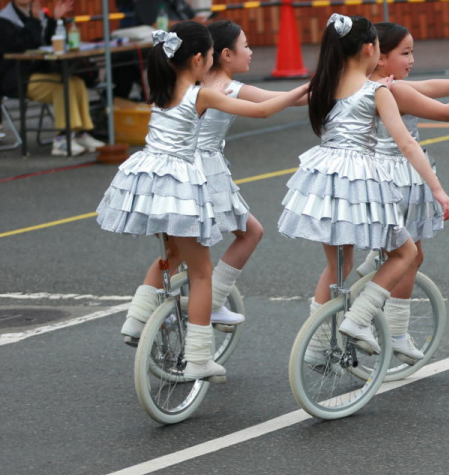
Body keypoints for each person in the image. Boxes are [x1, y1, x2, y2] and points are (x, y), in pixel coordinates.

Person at [98, 22, 302, 379]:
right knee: (202, 273)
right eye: (207, 56)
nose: (209, 63)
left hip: (148, 182)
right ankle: (197, 358)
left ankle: (136, 320)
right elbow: (263, 111)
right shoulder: (200, 95)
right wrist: (307, 85)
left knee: (169, 256)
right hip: (180, 184)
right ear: (197, 58)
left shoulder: (162, 92)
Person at [278, 14, 449, 358]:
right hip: (359, 179)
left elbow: (275, 100)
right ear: (369, 49)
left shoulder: (323, 86)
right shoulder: (377, 91)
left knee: (337, 266)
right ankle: (359, 319)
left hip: (324, 176)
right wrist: (437, 189)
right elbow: (406, 144)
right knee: (406, 252)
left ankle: (315, 349)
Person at [353, 22, 449, 362]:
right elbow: (446, 112)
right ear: (378, 57)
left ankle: (374, 270)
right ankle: (396, 332)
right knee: (412, 256)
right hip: (401, 178)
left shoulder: (368, 86)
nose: (412, 59)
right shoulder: (391, 91)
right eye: (405, 53)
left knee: (406, 252)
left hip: (373, 175)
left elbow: (430, 87)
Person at [198, 20, 301, 325]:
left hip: (173, 168)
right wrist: (332, 89)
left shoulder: (191, 83)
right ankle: (212, 303)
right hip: (204, 170)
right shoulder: (231, 88)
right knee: (251, 232)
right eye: (246, 45)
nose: (251, 51)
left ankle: (139, 317)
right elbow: (277, 103)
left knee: (177, 250)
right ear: (227, 54)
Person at [0, 0, 100, 156]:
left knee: (76, 83)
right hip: (16, 78)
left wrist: (55, 20)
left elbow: (47, 42)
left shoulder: (37, 15)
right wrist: (35, 21)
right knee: (63, 87)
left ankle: (80, 133)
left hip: (39, 73)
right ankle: (61, 139)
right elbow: (22, 46)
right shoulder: (4, 20)